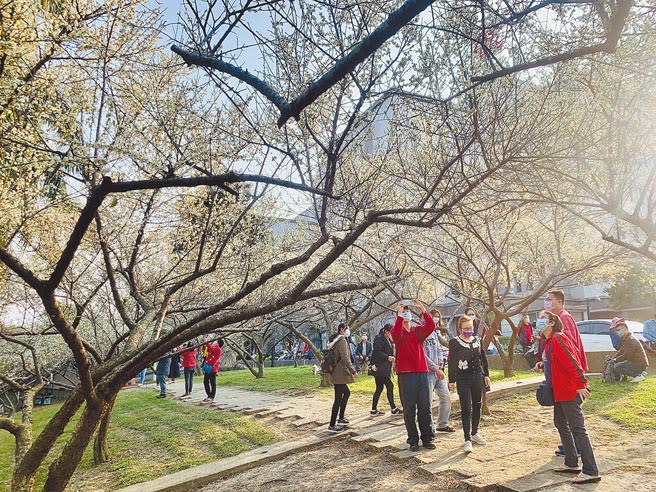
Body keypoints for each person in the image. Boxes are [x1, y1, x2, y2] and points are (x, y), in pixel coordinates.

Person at [534, 311, 600, 484]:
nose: (538, 321)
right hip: (559, 392)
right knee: (560, 422)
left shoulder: (558, 338)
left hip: (569, 391)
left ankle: (591, 471)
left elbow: (573, 361)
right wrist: (543, 364)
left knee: (578, 429)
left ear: (552, 322)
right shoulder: (548, 342)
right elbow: (558, 361)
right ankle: (571, 462)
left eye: (542, 318)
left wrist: (581, 383)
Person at [391, 300, 436, 451]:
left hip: (421, 373)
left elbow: (431, 326)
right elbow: (395, 335)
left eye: (407, 311)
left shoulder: (417, 331)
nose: (406, 314)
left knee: (425, 406)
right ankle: (413, 440)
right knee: (409, 409)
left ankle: (427, 438)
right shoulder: (397, 331)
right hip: (405, 375)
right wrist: (398, 316)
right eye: (404, 311)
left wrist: (423, 310)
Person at [448, 315, 490, 453]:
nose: (468, 330)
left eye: (471, 327)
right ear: (460, 329)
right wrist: (452, 380)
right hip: (462, 379)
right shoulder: (454, 342)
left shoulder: (477, 340)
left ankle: (475, 432)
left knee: (477, 405)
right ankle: (467, 439)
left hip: (477, 377)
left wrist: (486, 375)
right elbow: (452, 361)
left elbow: (482, 358)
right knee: (466, 408)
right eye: (465, 328)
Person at [424, 309, 454, 433]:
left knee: (446, 397)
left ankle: (442, 423)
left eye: (437, 317)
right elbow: (422, 356)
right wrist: (435, 368)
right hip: (428, 373)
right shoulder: (422, 334)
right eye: (433, 317)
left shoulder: (435, 334)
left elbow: (439, 350)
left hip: (439, 372)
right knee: (428, 402)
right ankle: (429, 429)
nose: (435, 319)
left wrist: (441, 363)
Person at [544, 290, 588, 372]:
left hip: (566, 365)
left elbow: (569, 343)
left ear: (559, 301)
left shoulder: (564, 317)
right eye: (546, 300)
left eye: (549, 300)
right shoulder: (556, 317)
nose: (546, 302)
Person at [328, 323, 357, 433]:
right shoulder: (342, 341)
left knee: (346, 393)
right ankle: (332, 425)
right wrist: (353, 370)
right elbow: (345, 358)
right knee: (338, 398)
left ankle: (340, 418)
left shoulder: (335, 340)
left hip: (336, 373)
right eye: (347, 329)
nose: (348, 331)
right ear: (342, 329)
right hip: (339, 374)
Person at [370, 324, 402, 417]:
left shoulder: (388, 339)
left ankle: (373, 410)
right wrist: (388, 357)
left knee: (379, 388)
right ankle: (393, 408)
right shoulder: (379, 338)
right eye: (390, 332)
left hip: (385, 367)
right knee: (390, 386)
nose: (390, 334)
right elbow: (377, 352)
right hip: (380, 368)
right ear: (386, 331)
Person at [609, 317, 649, 382]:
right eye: (616, 331)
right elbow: (621, 351)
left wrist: (615, 360)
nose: (617, 332)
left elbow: (627, 356)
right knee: (618, 364)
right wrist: (613, 358)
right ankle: (638, 373)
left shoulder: (630, 339)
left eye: (619, 330)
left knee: (617, 367)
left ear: (625, 329)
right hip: (636, 362)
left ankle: (637, 375)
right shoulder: (625, 339)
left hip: (639, 363)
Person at [202, 338, 223, 403]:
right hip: (208, 366)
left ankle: (211, 396)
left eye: (216, 342)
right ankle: (209, 395)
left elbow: (210, 349)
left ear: (218, 343)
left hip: (212, 368)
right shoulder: (214, 348)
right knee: (205, 381)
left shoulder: (218, 349)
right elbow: (207, 350)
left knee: (212, 382)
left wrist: (206, 342)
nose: (214, 343)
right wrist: (204, 346)